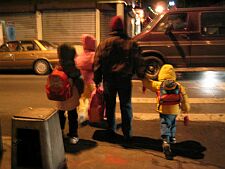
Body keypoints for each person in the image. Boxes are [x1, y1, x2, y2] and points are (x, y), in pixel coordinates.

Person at [93, 16, 146, 141]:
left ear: (111, 27)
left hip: (109, 80)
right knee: (126, 105)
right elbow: (139, 60)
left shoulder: (104, 43)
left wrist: (97, 80)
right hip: (124, 79)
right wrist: (142, 76)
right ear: (122, 28)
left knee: (110, 105)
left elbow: (97, 63)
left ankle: (111, 130)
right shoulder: (131, 43)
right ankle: (127, 133)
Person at [142, 64, 190, 159]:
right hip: (174, 110)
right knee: (172, 123)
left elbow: (147, 83)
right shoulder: (179, 86)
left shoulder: (158, 85)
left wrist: (144, 76)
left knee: (165, 124)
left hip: (163, 109)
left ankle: (166, 141)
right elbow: (184, 99)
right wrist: (186, 109)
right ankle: (172, 137)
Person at [55, 43, 81, 144]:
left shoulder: (58, 65)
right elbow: (78, 80)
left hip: (60, 95)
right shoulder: (72, 66)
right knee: (72, 115)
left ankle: (60, 132)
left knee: (60, 114)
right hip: (70, 95)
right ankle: (73, 135)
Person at [76, 34, 96, 123]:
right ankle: (93, 116)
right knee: (92, 99)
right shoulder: (94, 55)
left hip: (82, 81)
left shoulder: (80, 55)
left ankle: (81, 115)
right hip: (92, 81)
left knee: (83, 98)